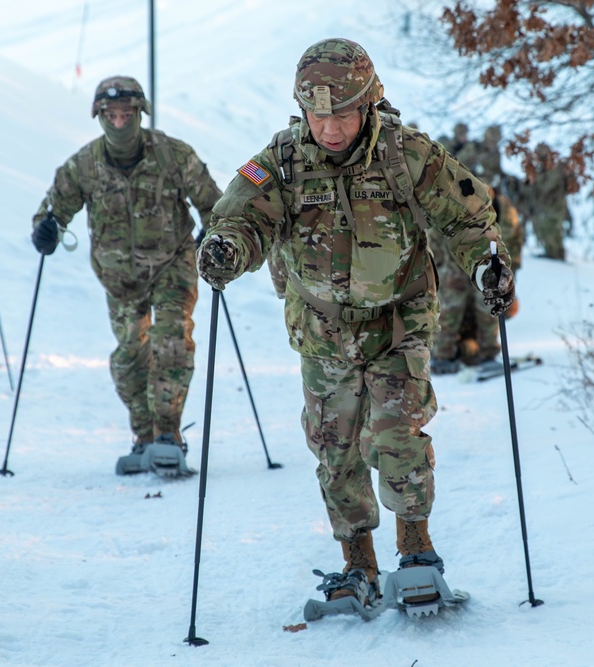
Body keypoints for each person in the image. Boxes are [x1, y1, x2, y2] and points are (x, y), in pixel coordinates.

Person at [196, 38, 514, 612]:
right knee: (334, 448)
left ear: (368, 105)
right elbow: (241, 218)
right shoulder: (281, 161)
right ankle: (356, 565)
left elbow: (468, 218)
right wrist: (225, 249)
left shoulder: (408, 154)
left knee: (396, 435)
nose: (331, 127)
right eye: (318, 114)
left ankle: (417, 554)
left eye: (342, 113)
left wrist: (489, 263)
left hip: (399, 320)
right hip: (321, 329)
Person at [30, 75, 222, 476]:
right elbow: (51, 211)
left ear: (140, 114)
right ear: (99, 117)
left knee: (171, 341)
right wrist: (45, 231)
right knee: (130, 357)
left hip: (174, 264)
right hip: (119, 278)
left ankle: (168, 435)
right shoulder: (83, 165)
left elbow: (212, 201)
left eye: (126, 115)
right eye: (110, 116)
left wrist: (214, 233)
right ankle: (144, 437)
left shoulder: (172, 154)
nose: (118, 123)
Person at [429, 181, 524, 373]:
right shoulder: (451, 203)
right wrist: (438, 270)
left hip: (487, 266)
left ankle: (487, 354)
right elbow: (434, 241)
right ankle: (443, 355)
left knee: (489, 302)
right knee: (450, 302)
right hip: (453, 266)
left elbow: (513, 242)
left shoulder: (504, 210)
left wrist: (507, 277)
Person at [529, 142, 571, 260]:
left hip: (555, 206)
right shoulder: (544, 169)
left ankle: (555, 254)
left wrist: (536, 178)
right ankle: (554, 253)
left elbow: (546, 186)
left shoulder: (554, 169)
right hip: (550, 207)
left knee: (551, 229)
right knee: (547, 229)